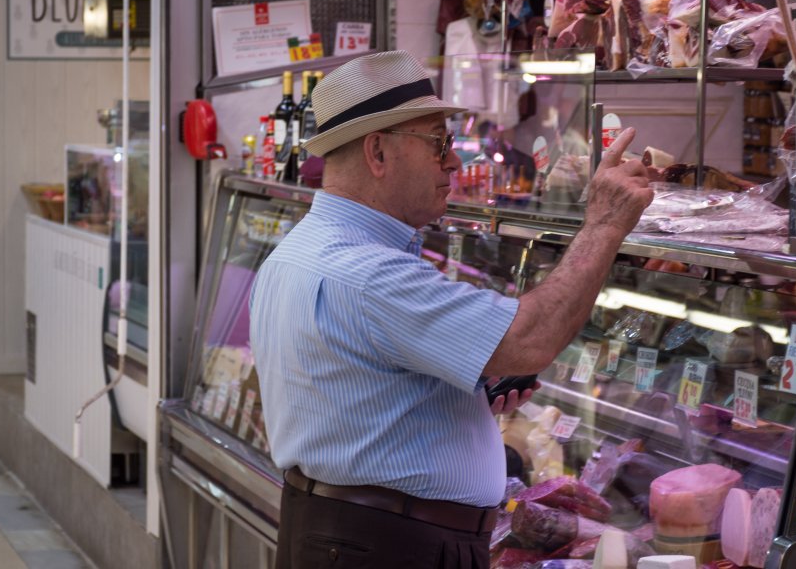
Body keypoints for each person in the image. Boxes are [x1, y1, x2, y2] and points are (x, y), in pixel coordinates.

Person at [249, 50, 653, 568]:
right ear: (377, 152)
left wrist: (467, 387)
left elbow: (358, 389)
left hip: (350, 532)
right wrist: (603, 225)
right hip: (390, 546)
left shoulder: (302, 251)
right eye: (439, 142)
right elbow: (528, 338)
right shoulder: (368, 272)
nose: (454, 161)